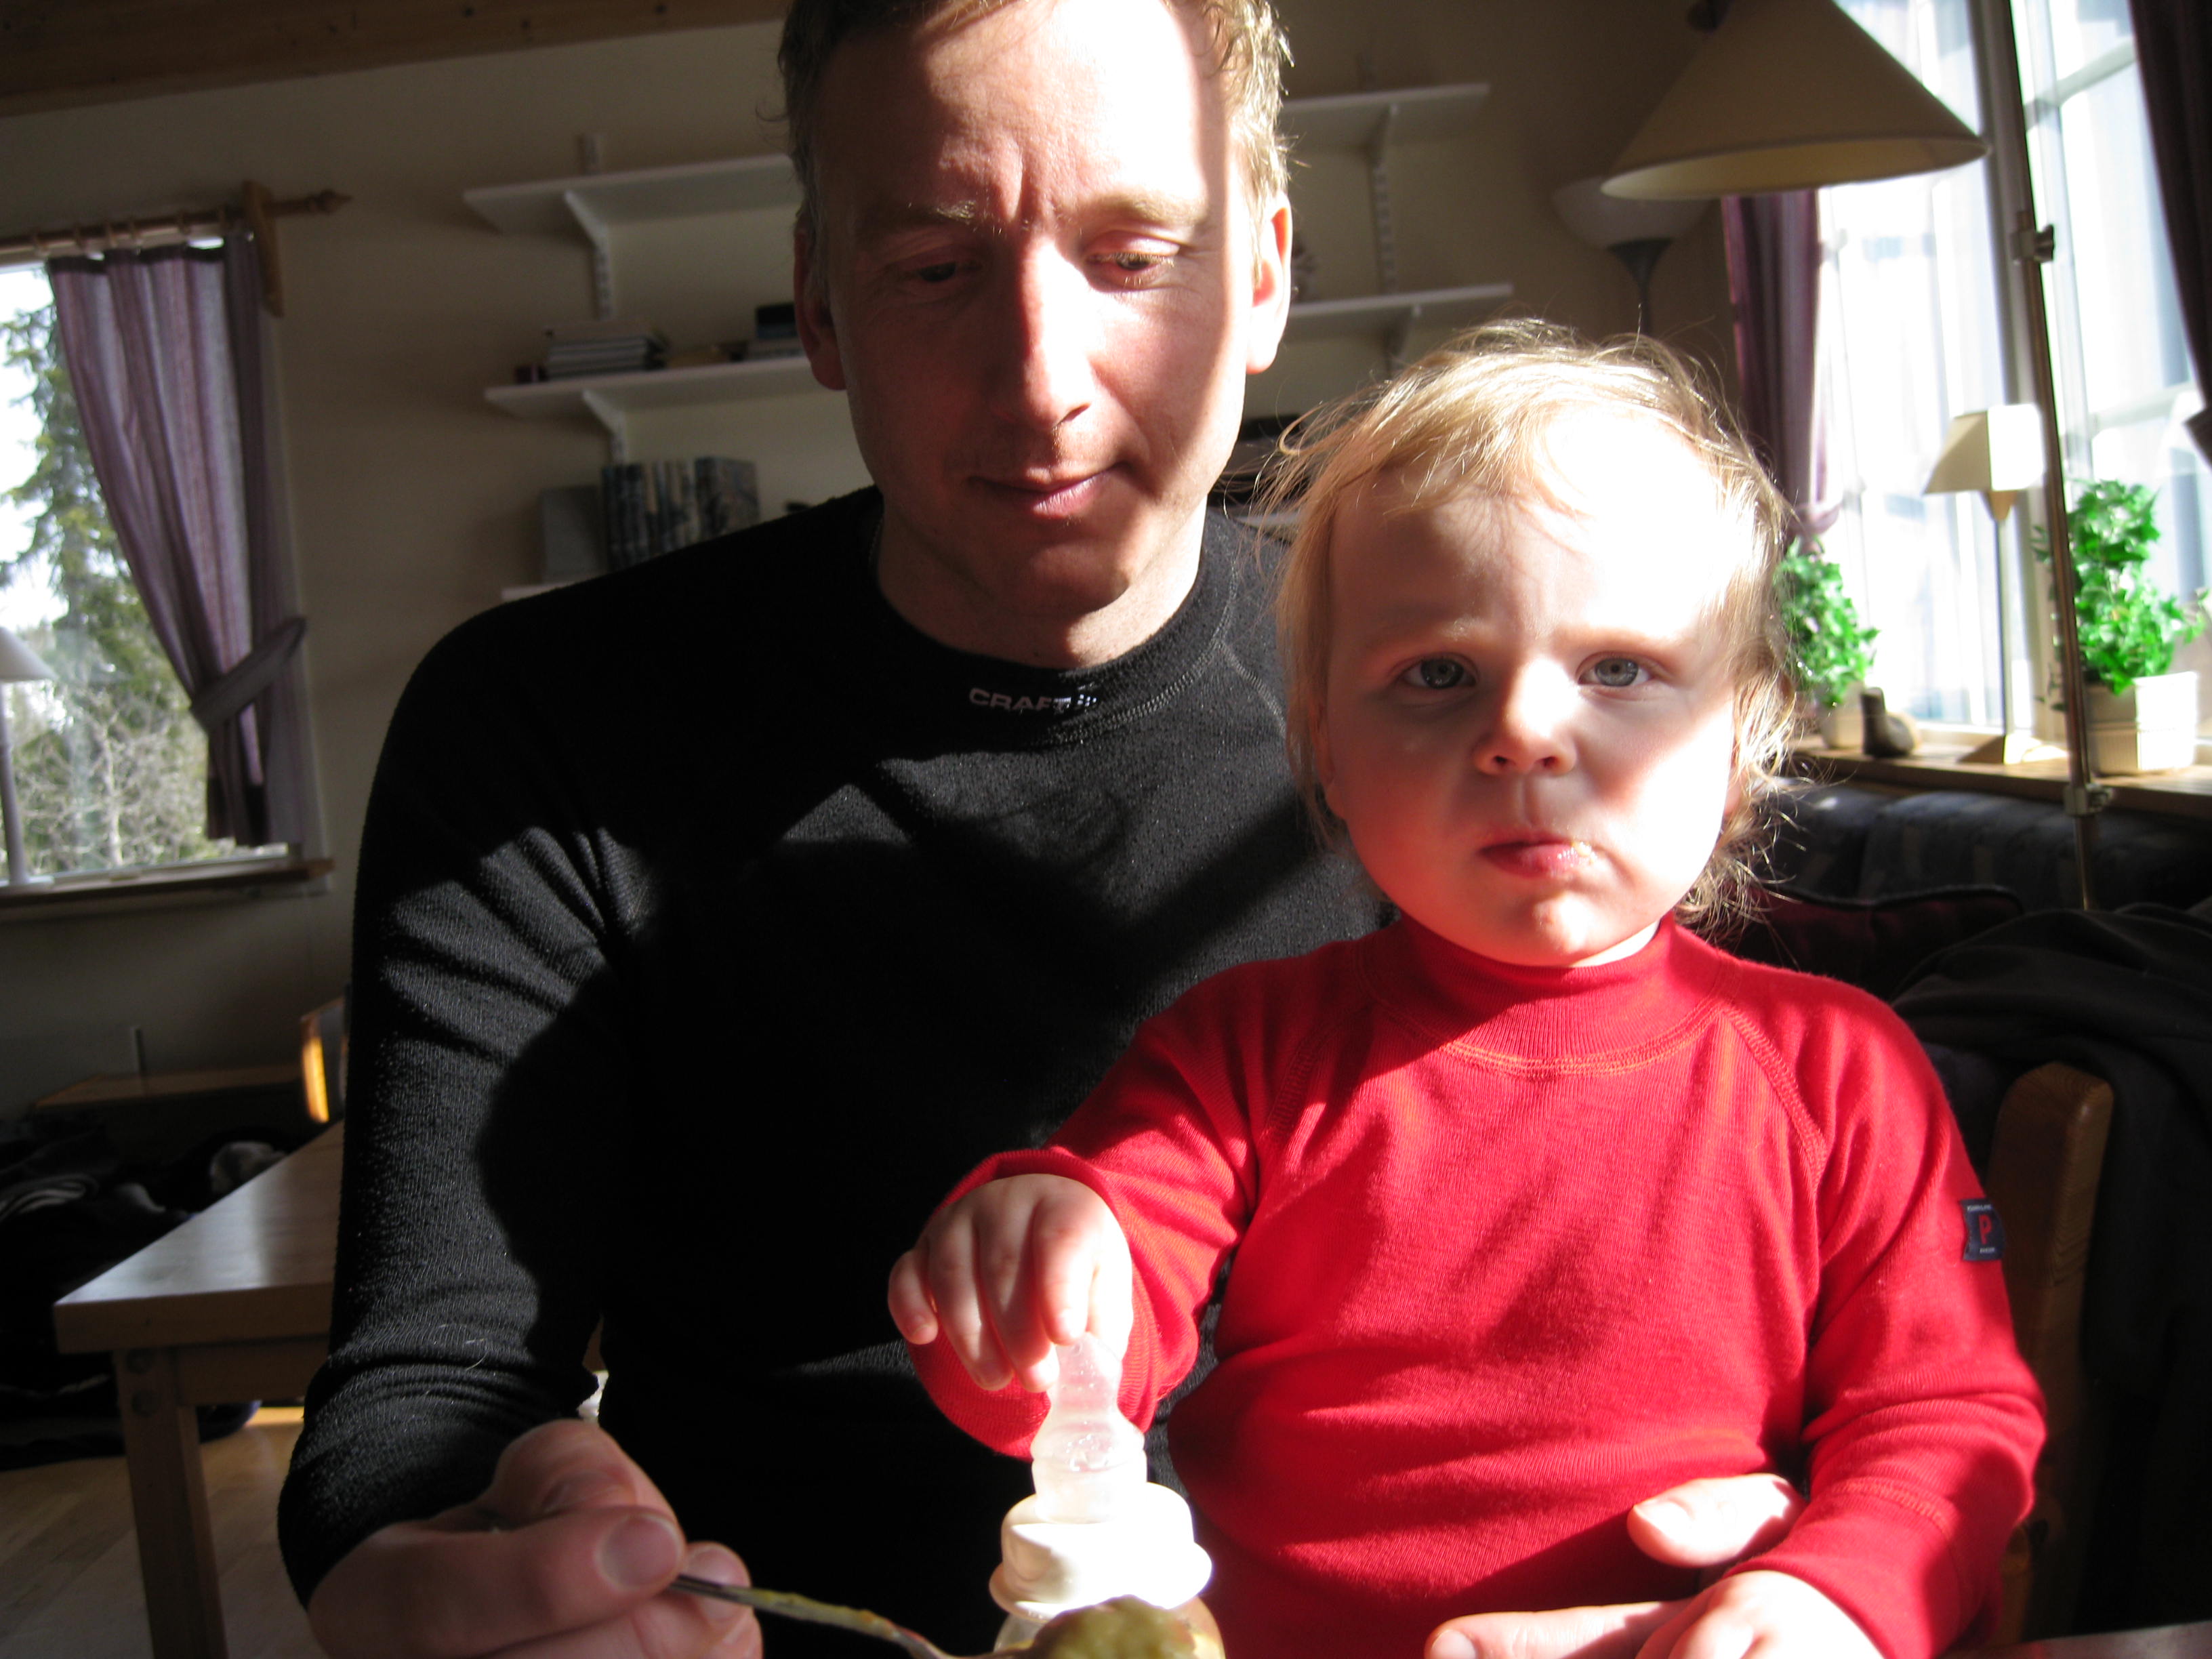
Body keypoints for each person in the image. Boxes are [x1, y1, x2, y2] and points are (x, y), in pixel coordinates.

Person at [281, 3, 1815, 1654]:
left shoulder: (1470, 706)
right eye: (936, 266)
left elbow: (1720, 1250)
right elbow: (426, 1397)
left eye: (1134, 257)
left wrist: (1796, 1536)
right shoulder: (545, 725)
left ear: (1264, 274)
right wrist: (438, 1565)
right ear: (820, 298)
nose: (1042, 386)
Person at [890, 324, 2048, 1659]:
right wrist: (1036, 1268)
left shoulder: (1840, 1072)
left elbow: (1946, 1422)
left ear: (1740, 741)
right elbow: (1072, 1369)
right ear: (1327, 747)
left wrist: (1831, 1596)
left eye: (1618, 669)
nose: (1525, 732)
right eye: (1438, 675)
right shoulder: (1242, 1055)